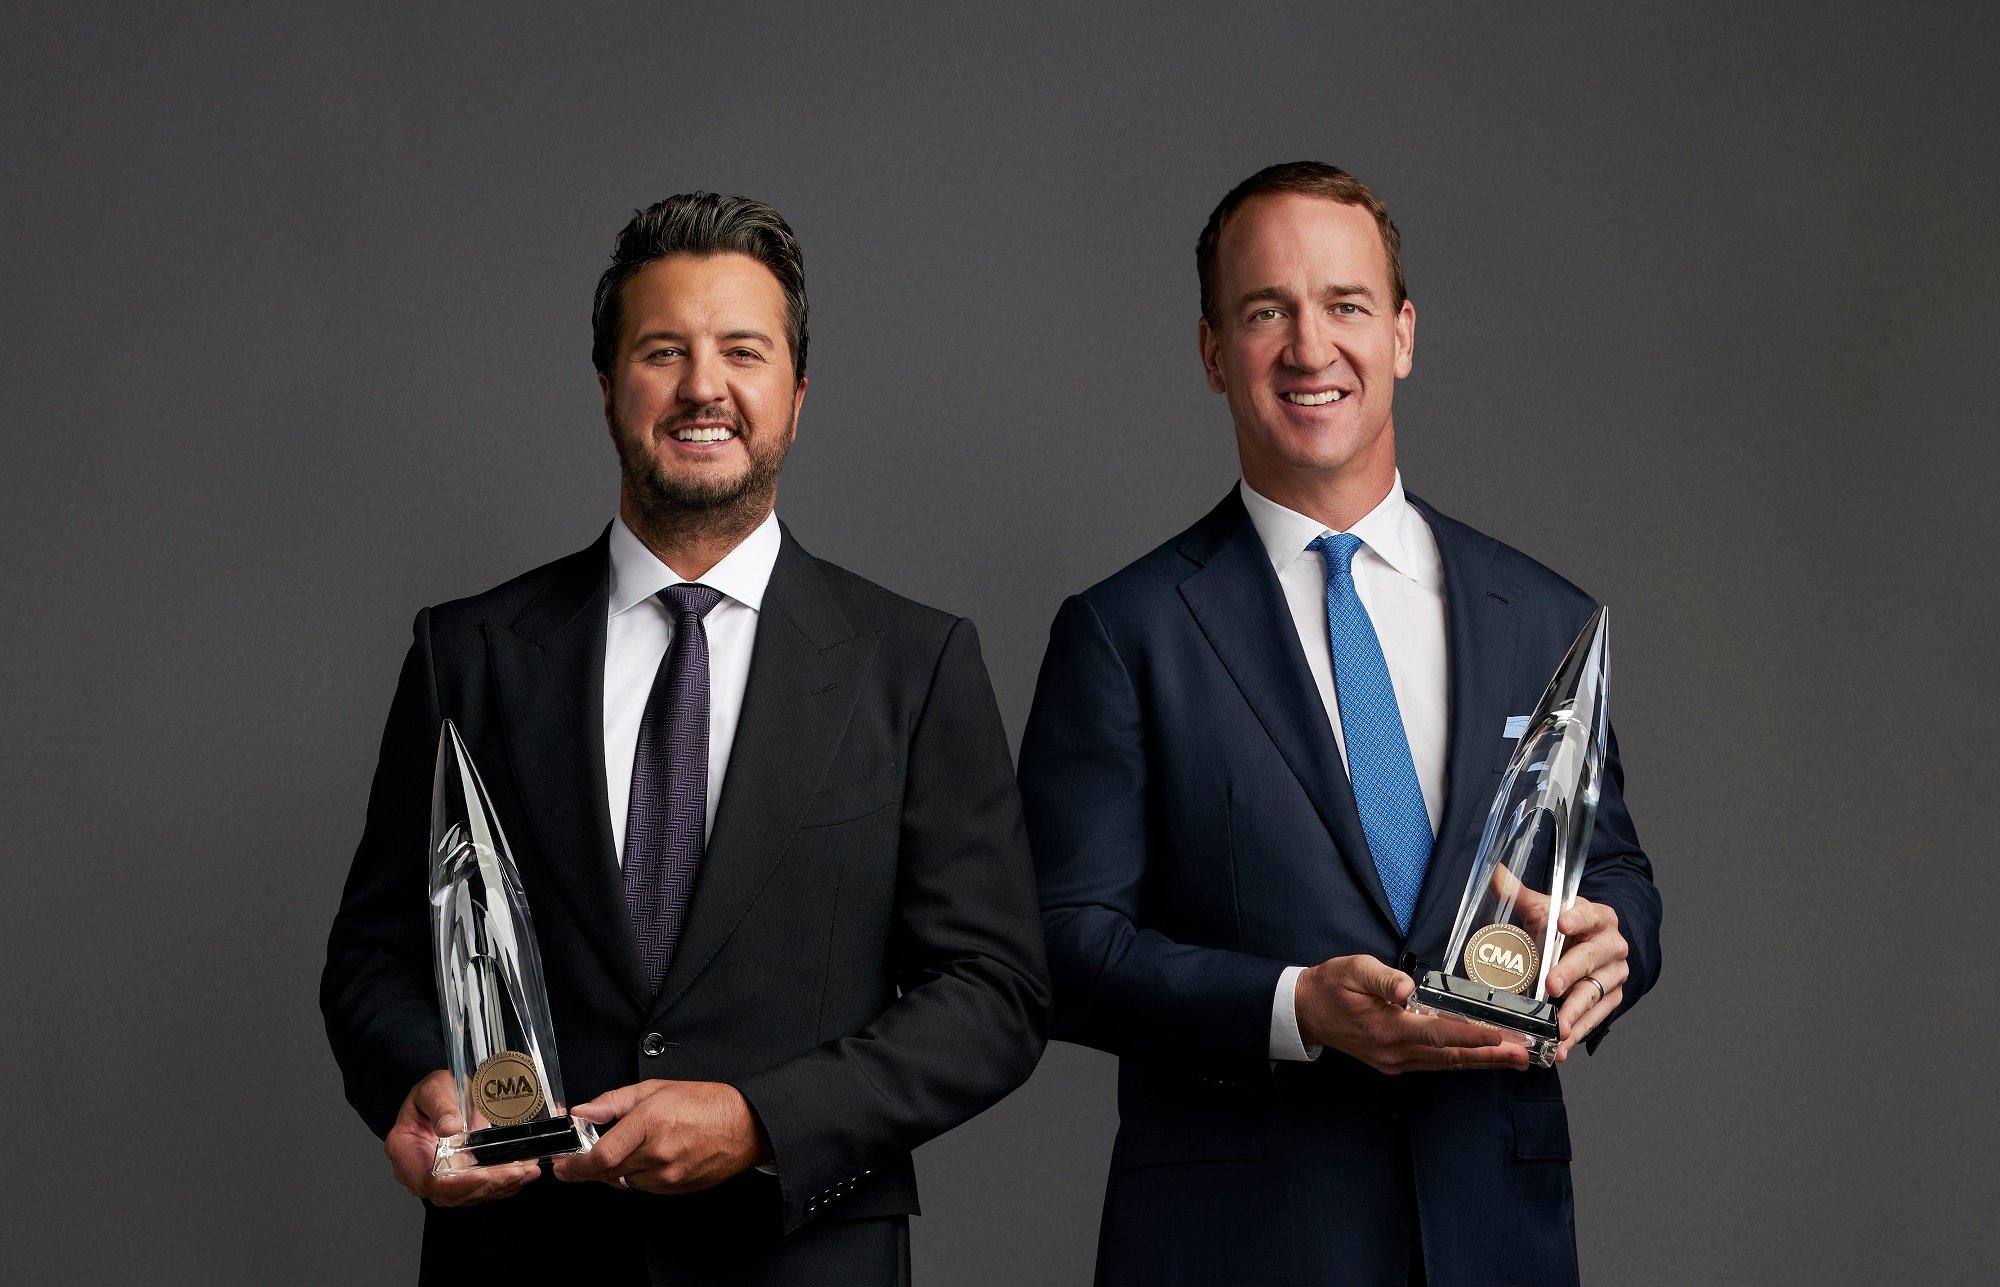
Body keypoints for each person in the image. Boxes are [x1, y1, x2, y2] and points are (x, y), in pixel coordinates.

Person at [323, 192, 1049, 1286]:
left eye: (742, 352)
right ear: (611, 386)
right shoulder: (466, 652)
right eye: (663, 351)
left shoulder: (912, 664)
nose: (703, 387)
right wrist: (418, 1081)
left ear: (795, 396)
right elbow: (375, 955)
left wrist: (763, 1119)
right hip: (524, 1250)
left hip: (802, 1251)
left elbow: (995, 990)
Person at [1018, 162, 1662, 1286]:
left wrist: (1620, 947)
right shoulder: (1122, 634)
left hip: (1495, 1234)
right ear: (1215, 351)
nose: (1309, 348)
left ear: (1402, 335)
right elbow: (1057, 945)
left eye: (1345, 306)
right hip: (1236, 1245)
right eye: (1266, 311)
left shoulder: (1544, 616)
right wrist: (1292, 1008)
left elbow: (1610, 868)